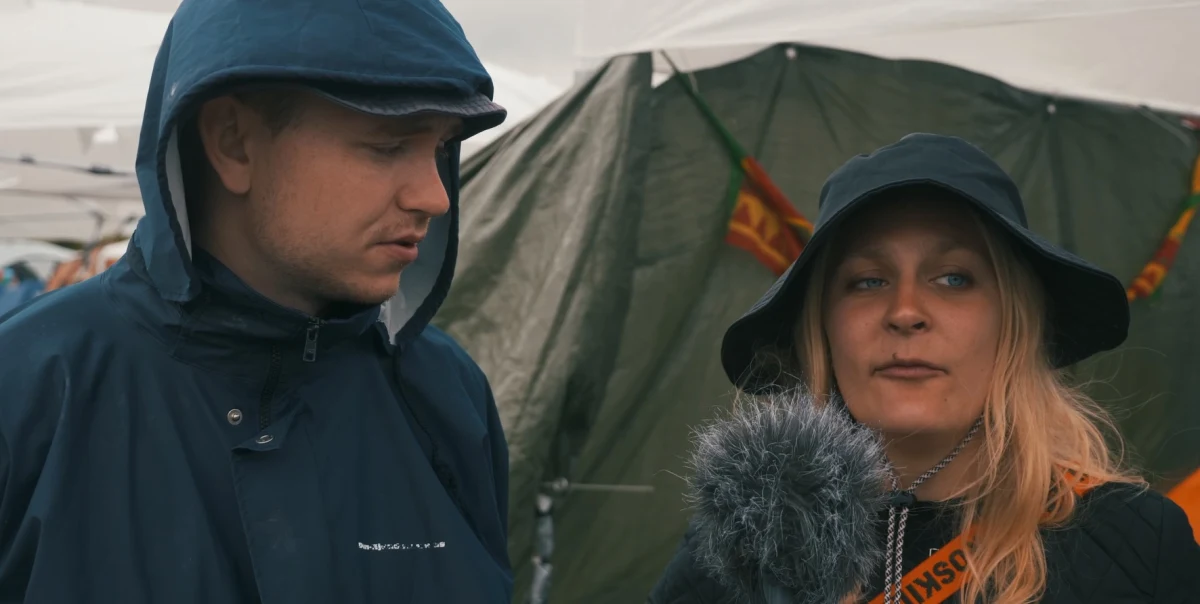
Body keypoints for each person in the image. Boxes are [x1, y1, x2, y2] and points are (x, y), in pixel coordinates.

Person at [0, 1, 513, 602]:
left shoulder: (449, 395)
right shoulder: (28, 391)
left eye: (440, 149)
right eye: (388, 145)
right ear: (233, 143)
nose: (435, 196)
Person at [649, 134, 1200, 603]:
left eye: (954, 277)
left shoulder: (1139, 544)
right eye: (868, 280)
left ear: (1014, 321)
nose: (905, 312)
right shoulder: (736, 550)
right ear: (822, 328)